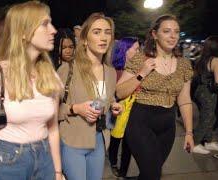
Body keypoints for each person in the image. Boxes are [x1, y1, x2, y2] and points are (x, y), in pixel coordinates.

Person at [0, 1, 63, 180]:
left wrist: (58, 172)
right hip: (9, 160)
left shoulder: (49, 74)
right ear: (23, 32)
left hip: (45, 158)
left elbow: (53, 128)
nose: (53, 30)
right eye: (45, 24)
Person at [116, 14, 194, 180]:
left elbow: (185, 100)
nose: (173, 36)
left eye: (176, 32)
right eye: (166, 31)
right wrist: (141, 73)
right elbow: (119, 92)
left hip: (167, 125)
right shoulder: (140, 59)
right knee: (153, 174)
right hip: (141, 122)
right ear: (154, 34)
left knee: (150, 173)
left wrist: (189, 132)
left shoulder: (184, 65)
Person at [57, 12, 123, 180]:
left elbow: (107, 100)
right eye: (97, 32)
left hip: (99, 142)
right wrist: (76, 108)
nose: (103, 37)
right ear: (85, 39)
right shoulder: (67, 69)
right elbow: (51, 110)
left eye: (107, 32)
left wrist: (114, 107)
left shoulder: (110, 72)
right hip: (73, 142)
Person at [108, 37, 139, 178]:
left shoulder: (138, 67)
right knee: (115, 139)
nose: (139, 52)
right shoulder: (115, 70)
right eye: (136, 49)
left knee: (129, 142)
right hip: (117, 109)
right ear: (125, 50)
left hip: (133, 110)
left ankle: (123, 171)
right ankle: (113, 162)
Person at [192, 36, 218, 154]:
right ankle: (195, 143)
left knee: (211, 117)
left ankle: (208, 141)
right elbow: (217, 81)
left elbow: (206, 76)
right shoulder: (216, 60)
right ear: (217, 47)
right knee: (207, 118)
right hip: (209, 93)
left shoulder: (201, 59)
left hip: (199, 91)